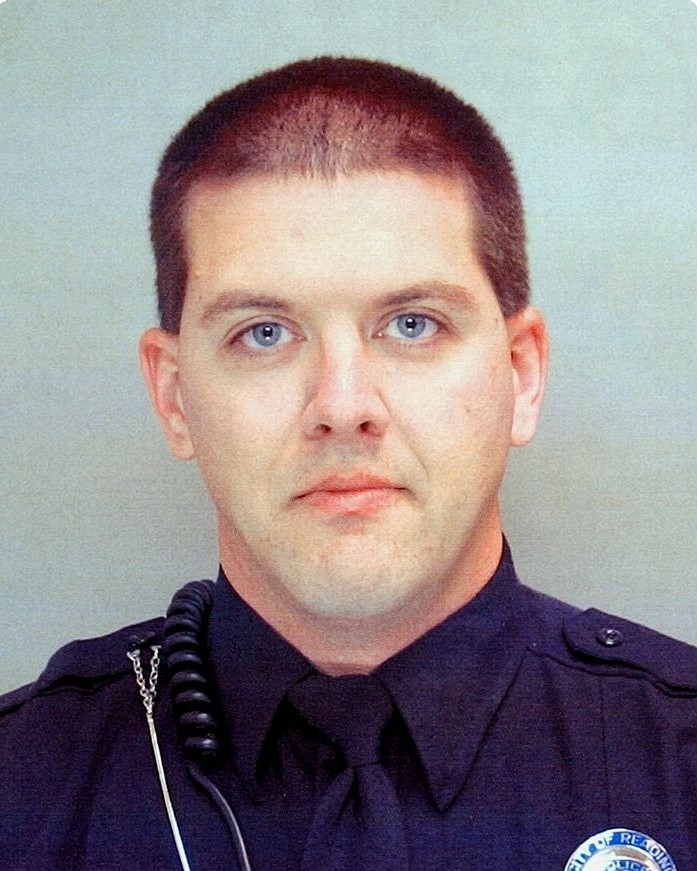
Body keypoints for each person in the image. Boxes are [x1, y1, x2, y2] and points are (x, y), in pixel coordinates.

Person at [0, 56, 694, 871]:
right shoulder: (22, 786)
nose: (341, 404)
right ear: (175, 395)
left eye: (412, 324)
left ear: (521, 373)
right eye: (263, 333)